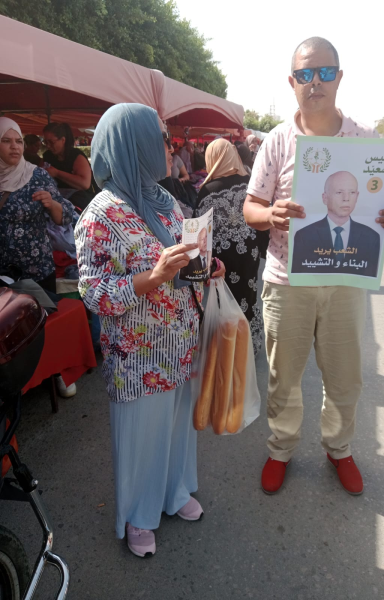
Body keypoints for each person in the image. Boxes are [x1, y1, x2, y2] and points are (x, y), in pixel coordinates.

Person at [243, 37, 384, 496]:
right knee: (284, 377)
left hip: (346, 280)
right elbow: (250, 207)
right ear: (292, 81)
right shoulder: (278, 140)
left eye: (325, 72)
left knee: (345, 375)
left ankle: (339, 448)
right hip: (286, 280)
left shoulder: (367, 140)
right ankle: (281, 449)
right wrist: (269, 214)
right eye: (306, 74)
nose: (315, 82)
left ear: (339, 77)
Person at [75, 103, 225, 558]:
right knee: (143, 436)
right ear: (132, 144)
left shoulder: (163, 199)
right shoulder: (101, 216)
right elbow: (95, 294)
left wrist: (205, 266)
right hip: (138, 356)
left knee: (177, 427)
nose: (169, 146)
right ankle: (139, 514)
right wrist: (153, 277)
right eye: (160, 137)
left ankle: (174, 492)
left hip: (180, 340)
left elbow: (185, 257)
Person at [0, 118, 77, 399]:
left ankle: (57, 373)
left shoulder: (36, 176)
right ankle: (17, 380)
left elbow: (64, 216)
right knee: (10, 326)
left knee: (44, 322)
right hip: (3, 269)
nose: (14, 147)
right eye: (6, 141)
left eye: (19, 141)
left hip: (36, 266)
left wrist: (52, 203)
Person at [196, 138, 264, 354]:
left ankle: (227, 348)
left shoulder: (207, 191)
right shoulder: (250, 184)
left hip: (220, 262)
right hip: (249, 255)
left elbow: (199, 233)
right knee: (248, 295)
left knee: (223, 301)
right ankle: (248, 346)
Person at [292, 171, 380, 276]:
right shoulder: (304, 235)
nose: (346, 198)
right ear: (325, 198)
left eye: (352, 192)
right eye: (339, 192)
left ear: (357, 196)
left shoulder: (371, 237)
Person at [43, 122, 99, 210]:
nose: (48, 146)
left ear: (63, 140)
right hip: (57, 201)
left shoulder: (75, 155)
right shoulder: (47, 155)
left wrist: (57, 173)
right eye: (45, 142)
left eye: (51, 142)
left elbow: (85, 184)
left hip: (80, 202)